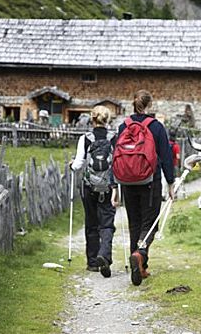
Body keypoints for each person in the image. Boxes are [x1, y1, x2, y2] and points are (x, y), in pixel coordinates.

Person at [113, 90, 175, 286]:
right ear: (150, 105)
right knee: (150, 223)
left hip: (127, 181)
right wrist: (171, 183)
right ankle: (140, 255)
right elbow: (166, 157)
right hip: (150, 182)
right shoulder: (156, 127)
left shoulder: (124, 126)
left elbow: (116, 154)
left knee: (135, 223)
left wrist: (115, 185)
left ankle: (140, 265)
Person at [71, 105, 117, 278]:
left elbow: (78, 165)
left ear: (92, 119)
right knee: (107, 223)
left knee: (91, 223)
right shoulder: (114, 138)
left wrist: (71, 165)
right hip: (108, 186)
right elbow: (117, 162)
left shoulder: (85, 139)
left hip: (89, 187)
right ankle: (104, 255)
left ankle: (92, 263)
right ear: (108, 120)